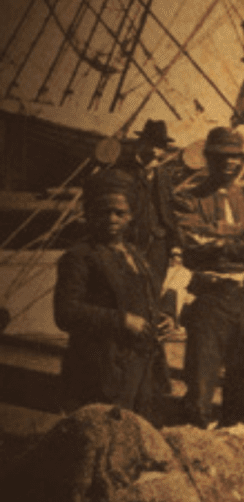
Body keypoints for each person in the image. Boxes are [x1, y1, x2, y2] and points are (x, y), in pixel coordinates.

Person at [53, 168, 173, 424]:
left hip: (141, 368)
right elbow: (65, 312)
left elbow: (144, 298)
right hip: (102, 369)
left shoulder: (135, 255)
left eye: (120, 212)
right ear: (90, 215)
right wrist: (122, 320)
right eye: (103, 211)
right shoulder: (80, 257)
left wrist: (164, 317)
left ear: (131, 216)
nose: (112, 218)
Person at [176, 127, 244, 428]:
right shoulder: (188, 199)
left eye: (236, 157)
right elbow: (192, 241)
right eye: (222, 157)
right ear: (208, 158)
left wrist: (219, 237)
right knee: (200, 383)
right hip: (209, 297)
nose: (230, 163)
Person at [124, 119, 184, 287]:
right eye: (152, 144)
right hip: (132, 243)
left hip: (159, 244)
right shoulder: (127, 172)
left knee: (155, 289)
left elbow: (169, 212)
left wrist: (175, 246)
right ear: (141, 144)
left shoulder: (163, 176)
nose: (155, 151)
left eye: (160, 146)